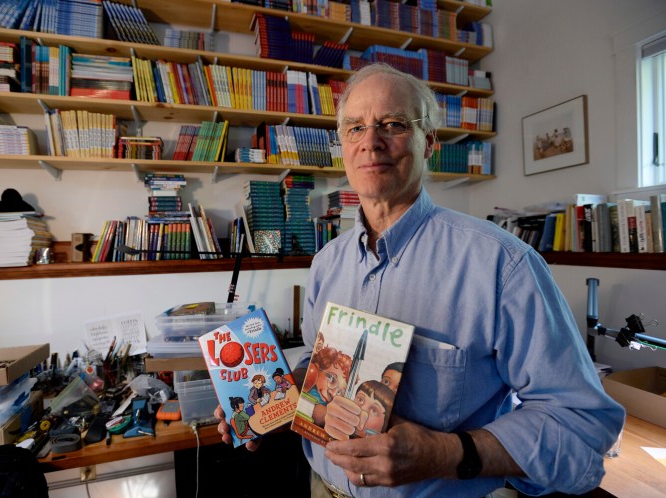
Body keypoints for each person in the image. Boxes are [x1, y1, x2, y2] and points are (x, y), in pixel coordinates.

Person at [215, 63, 625, 497]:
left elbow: (581, 427)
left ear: (429, 141)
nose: (370, 142)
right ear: (342, 144)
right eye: (355, 127)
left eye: (392, 124)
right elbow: (316, 368)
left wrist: (446, 453)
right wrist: (277, 400)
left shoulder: (504, 265)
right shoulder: (326, 263)